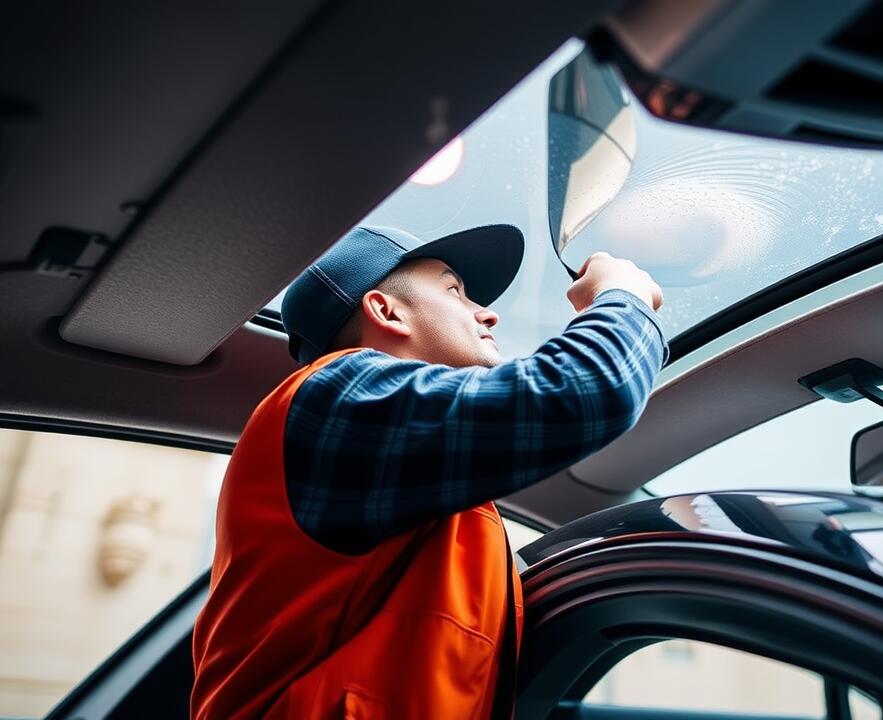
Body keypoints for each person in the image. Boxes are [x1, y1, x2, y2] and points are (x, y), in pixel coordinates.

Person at [191, 224, 667, 719]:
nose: (488, 312)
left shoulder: (403, 476)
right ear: (385, 310)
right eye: (455, 291)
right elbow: (585, 391)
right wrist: (622, 296)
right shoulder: (339, 396)